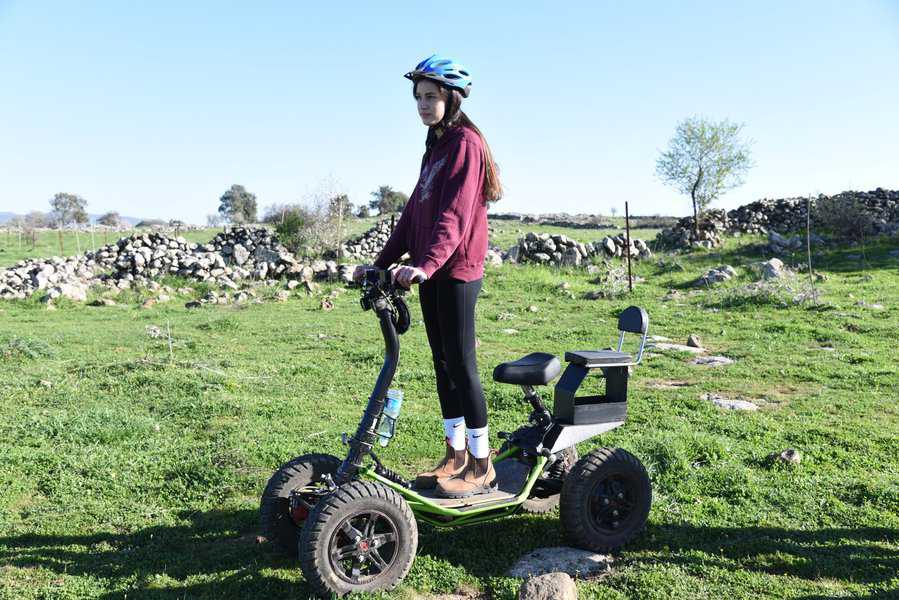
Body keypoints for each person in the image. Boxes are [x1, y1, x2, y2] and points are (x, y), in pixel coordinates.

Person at [353, 54, 502, 498]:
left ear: (451, 98)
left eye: (431, 96)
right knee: (441, 362)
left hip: (456, 271)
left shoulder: (466, 144)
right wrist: (381, 263)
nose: (423, 104)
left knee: (461, 363)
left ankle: (482, 463)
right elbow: (414, 216)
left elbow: (455, 215)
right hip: (431, 272)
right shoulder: (435, 146)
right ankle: (455, 456)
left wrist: (428, 263)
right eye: (418, 96)